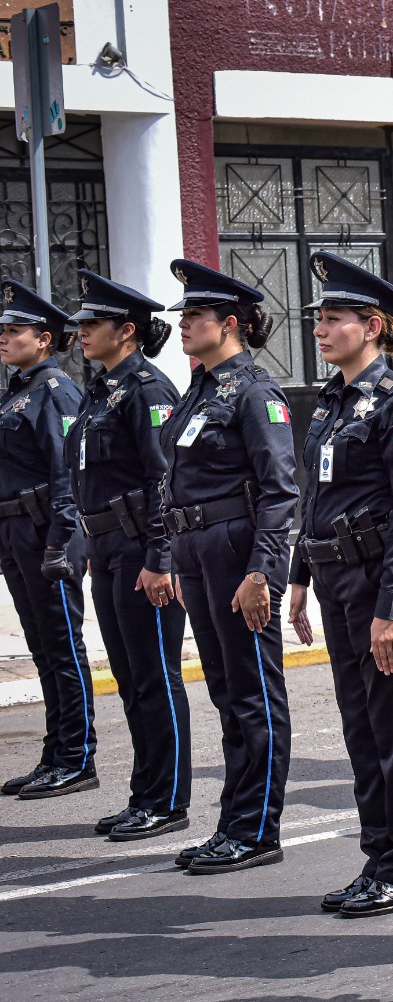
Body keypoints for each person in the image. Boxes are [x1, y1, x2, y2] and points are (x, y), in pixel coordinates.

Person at [286, 253, 393, 917]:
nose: (320, 329)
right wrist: (297, 576)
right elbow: (315, 496)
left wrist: (392, 609)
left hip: (380, 584)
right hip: (334, 578)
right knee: (359, 730)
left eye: (334, 319)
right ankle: (378, 858)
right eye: (319, 318)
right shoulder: (333, 401)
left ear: (373, 325)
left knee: (392, 728)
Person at [161, 261, 298, 874]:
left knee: (253, 694)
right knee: (225, 691)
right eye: (185, 315)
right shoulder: (198, 388)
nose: (184, 325)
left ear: (230, 324)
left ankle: (257, 827)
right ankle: (233, 821)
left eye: (195, 316)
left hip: (235, 550)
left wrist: (262, 572)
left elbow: (280, 490)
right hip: (197, 550)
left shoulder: (254, 392)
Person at [66, 271, 190, 837]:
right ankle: (145, 792)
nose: (83, 332)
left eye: (93, 323)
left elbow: (165, 480)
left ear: (128, 330)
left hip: (143, 547)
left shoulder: (148, 391)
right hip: (109, 547)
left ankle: (165, 800)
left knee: (155, 676)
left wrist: (161, 557)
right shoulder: (100, 392)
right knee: (129, 675)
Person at [0, 280, 94, 800]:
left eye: (14, 330)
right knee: (42, 650)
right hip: (18, 533)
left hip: (46, 535)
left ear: (44, 339)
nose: (4, 337)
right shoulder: (18, 392)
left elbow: (66, 474)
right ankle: (55, 752)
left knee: (63, 648)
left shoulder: (56, 391)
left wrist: (61, 540)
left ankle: (78, 757)